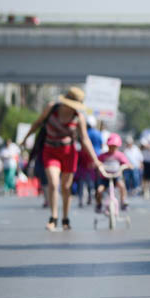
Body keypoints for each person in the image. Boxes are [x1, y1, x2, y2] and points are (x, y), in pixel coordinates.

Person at [21, 86, 103, 231]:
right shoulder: (52, 108)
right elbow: (37, 123)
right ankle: (53, 218)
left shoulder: (79, 117)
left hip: (68, 153)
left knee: (66, 187)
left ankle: (65, 218)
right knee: (53, 182)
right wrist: (25, 138)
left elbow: (85, 140)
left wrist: (96, 161)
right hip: (50, 150)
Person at [95, 133, 132, 211]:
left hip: (116, 176)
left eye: (114, 146)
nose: (112, 148)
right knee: (99, 190)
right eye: (110, 146)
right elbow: (97, 162)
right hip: (105, 177)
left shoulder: (119, 155)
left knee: (122, 186)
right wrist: (97, 165)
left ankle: (123, 201)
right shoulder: (103, 156)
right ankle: (99, 204)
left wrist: (127, 166)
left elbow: (127, 163)